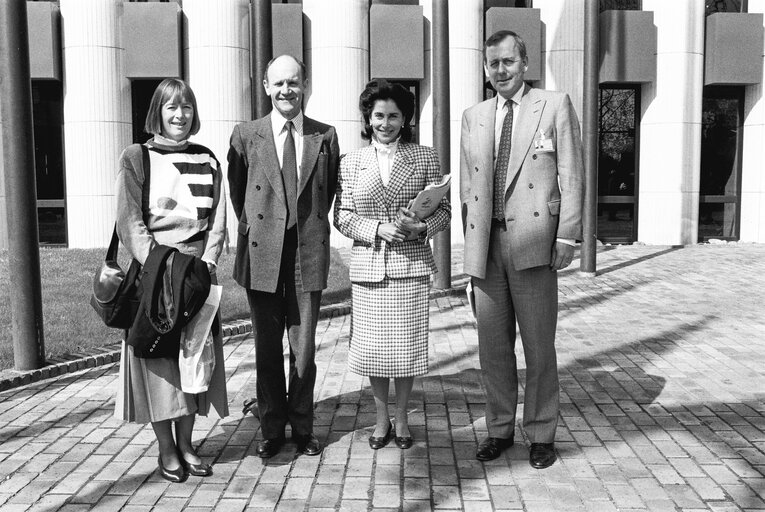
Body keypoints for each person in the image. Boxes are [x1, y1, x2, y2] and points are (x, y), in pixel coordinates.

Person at [459, 30, 584, 469]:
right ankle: (499, 430)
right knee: (492, 348)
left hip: (533, 242)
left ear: (525, 62)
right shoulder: (473, 115)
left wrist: (567, 235)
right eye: (493, 63)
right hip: (486, 245)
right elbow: (469, 188)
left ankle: (542, 432)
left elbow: (571, 174)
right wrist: (470, 245)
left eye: (508, 62)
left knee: (538, 346)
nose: (500, 70)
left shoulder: (553, 105)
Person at [115, 78, 228, 482]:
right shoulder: (137, 156)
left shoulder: (209, 158)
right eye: (171, 108)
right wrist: (159, 267)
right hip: (156, 271)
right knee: (159, 359)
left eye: (187, 108)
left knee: (195, 359)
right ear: (157, 113)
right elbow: (129, 221)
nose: (180, 116)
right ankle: (167, 448)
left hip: (197, 274)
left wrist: (208, 262)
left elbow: (218, 218)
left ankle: (187, 443)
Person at [227, 55, 340, 458]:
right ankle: (272, 427)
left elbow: (327, 192)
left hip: (306, 252)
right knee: (267, 349)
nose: (286, 91)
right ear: (266, 87)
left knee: (304, 348)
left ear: (305, 85)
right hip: (263, 252)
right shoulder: (246, 134)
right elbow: (238, 192)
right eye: (278, 84)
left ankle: (303, 426)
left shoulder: (324, 135)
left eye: (293, 82)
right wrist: (265, 229)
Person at [334, 79, 451, 450]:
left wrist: (422, 227)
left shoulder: (424, 156)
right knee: (373, 350)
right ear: (368, 119)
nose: (385, 123)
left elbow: (444, 210)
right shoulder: (351, 162)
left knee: (406, 349)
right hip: (370, 267)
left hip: (410, 265)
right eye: (379, 116)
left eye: (394, 116)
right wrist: (377, 229)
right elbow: (342, 216)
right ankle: (380, 418)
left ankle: (402, 418)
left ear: (405, 119)